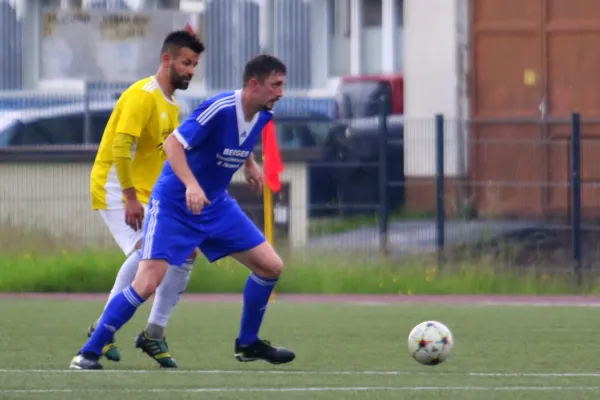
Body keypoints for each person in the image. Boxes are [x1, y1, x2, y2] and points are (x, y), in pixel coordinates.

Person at [70, 54, 295, 370]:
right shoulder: (220, 108)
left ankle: (247, 344)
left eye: (282, 85)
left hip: (215, 206)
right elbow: (174, 145)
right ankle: (88, 352)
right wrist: (190, 185)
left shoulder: (262, 114)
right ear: (254, 84)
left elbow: (240, 139)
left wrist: (250, 163)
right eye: (276, 85)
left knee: (271, 266)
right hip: (175, 204)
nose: (281, 92)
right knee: (147, 282)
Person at [86, 30, 204, 368]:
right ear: (166, 60)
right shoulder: (143, 95)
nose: (191, 70)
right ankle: (102, 330)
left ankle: (154, 332)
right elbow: (121, 148)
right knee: (146, 253)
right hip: (116, 186)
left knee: (185, 250)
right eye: (185, 62)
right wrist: (129, 198)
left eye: (194, 64)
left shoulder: (171, 103)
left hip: (149, 192)